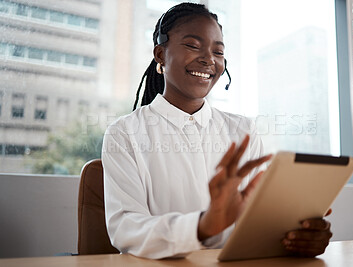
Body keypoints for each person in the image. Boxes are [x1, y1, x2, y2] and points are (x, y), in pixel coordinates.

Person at [102, 2, 332, 260]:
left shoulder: (244, 130)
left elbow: (257, 220)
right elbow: (126, 228)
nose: (209, 59)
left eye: (218, 51)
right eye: (192, 45)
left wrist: (296, 235)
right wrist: (202, 226)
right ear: (160, 54)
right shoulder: (124, 133)